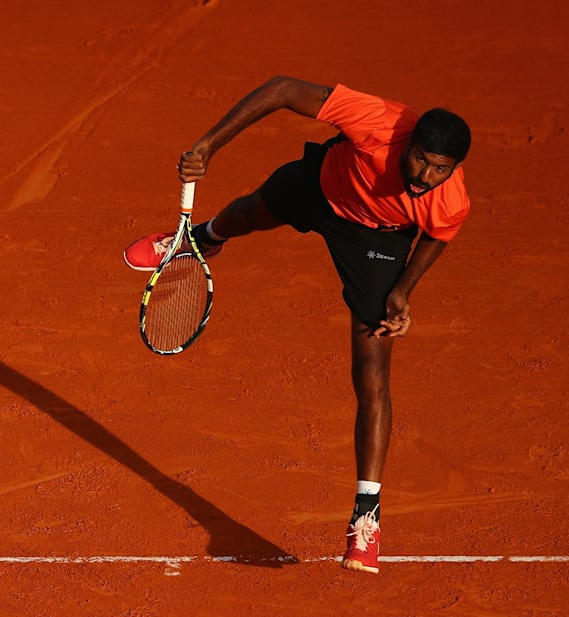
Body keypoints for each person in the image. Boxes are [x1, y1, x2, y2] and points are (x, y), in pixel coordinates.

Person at [123, 76, 471, 574]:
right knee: (249, 212)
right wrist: (209, 144)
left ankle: (366, 516)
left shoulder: (449, 198)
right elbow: (284, 89)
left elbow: (436, 236)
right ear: (409, 141)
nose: (425, 174)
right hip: (322, 186)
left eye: (441, 168)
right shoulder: (379, 122)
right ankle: (200, 238)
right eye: (420, 159)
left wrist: (402, 291)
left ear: (454, 168)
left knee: (372, 372)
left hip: (376, 242)